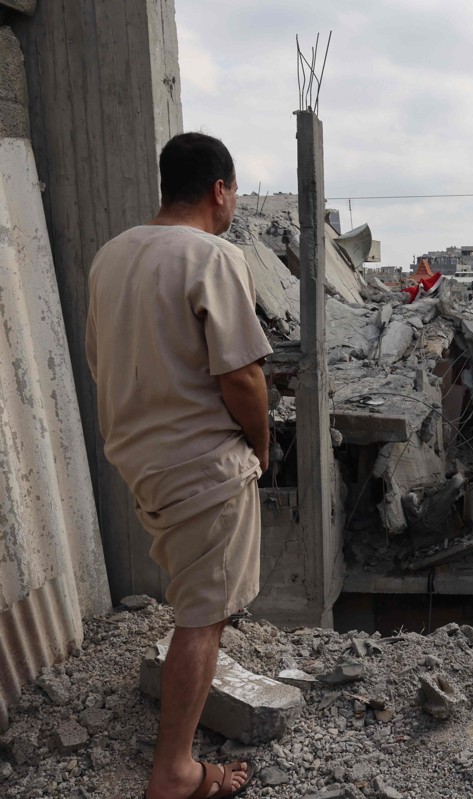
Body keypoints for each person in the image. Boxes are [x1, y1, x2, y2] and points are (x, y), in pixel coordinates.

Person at [86, 132, 272, 798]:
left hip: (142, 463)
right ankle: (176, 770)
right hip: (204, 470)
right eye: (234, 193)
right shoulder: (212, 255)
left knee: (195, 601)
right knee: (203, 616)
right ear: (219, 191)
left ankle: (175, 751)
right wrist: (262, 442)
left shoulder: (111, 256)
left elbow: (101, 362)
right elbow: (243, 377)